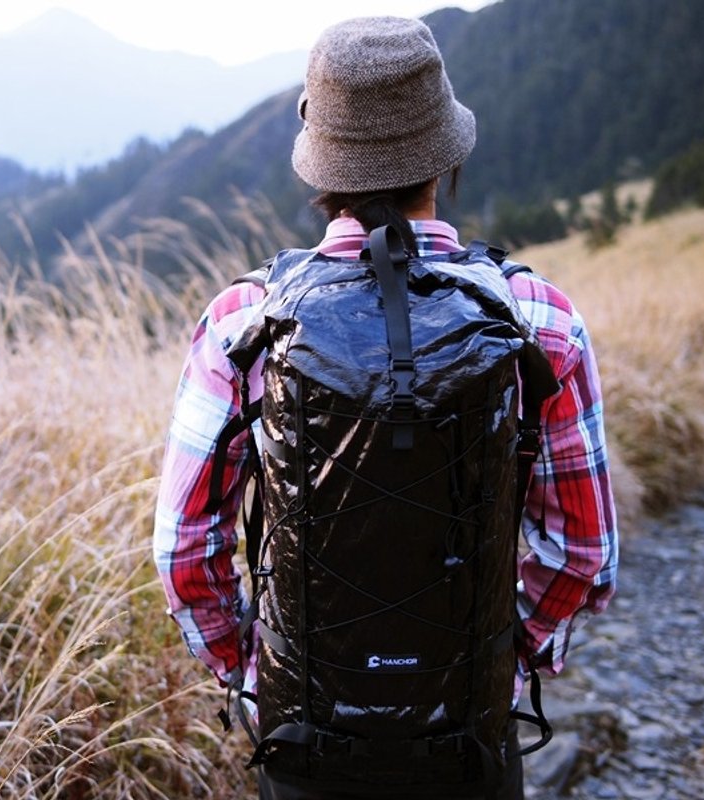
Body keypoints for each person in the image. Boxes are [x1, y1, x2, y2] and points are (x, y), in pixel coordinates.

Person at [153, 15, 618, 800]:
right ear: (447, 155)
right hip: (468, 739)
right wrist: (503, 661)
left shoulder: (245, 322)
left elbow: (182, 553)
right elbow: (582, 552)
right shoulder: (538, 319)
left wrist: (257, 674)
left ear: (320, 169)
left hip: (308, 739)